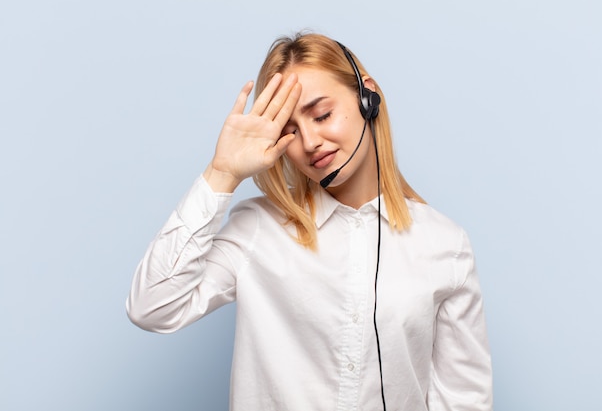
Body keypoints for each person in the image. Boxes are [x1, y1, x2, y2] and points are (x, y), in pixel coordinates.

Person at [126, 31, 493, 411]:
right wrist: (222, 173)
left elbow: (464, 400)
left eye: (322, 115)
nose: (310, 141)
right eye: (290, 132)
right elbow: (153, 306)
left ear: (368, 97)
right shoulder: (257, 228)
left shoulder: (445, 245)